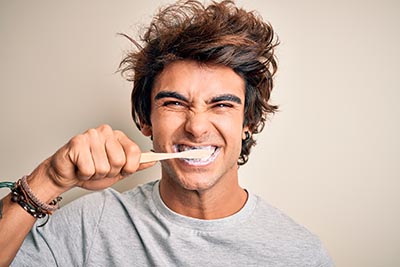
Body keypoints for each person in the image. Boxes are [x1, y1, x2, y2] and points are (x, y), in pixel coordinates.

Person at [0, 0, 333, 266]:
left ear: (247, 121)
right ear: (146, 119)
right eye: (175, 103)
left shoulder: (300, 254)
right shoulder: (89, 226)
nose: (197, 126)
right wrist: (49, 179)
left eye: (221, 105)